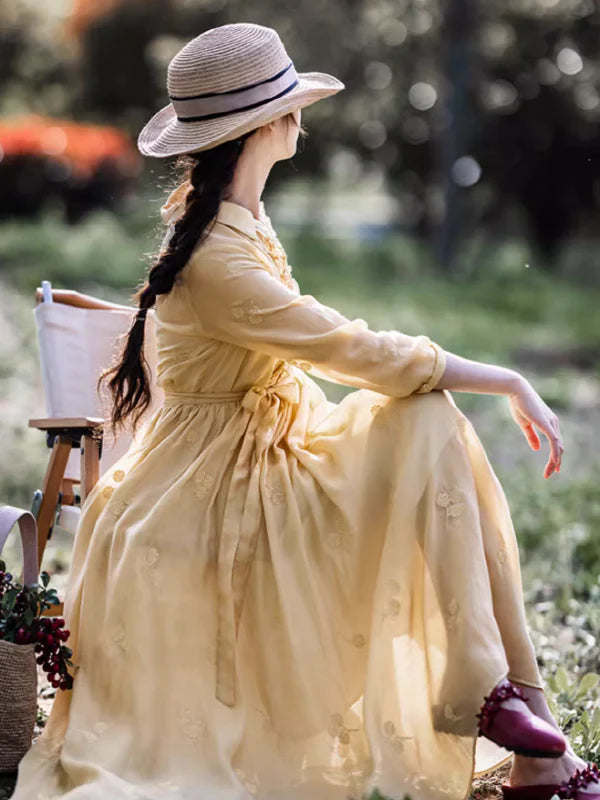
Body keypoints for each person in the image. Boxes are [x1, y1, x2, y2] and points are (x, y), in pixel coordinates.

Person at [11, 21, 599, 800]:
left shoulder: (239, 220)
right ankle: (512, 715)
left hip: (266, 455)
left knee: (426, 419)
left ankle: (508, 708)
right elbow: (349, 349)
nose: (302, 119)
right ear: (268, 125)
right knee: (425, 408)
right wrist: (507, 378)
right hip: (209, 490)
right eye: (291, 105)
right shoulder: (218, 255)